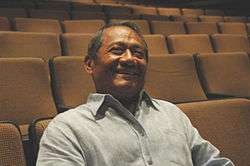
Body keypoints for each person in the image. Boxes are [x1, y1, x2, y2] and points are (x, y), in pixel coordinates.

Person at [37, 21, 234, 166]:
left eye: (139, 54)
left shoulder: (172, 114)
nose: (130, 59)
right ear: (90, 64)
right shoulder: (66, 128)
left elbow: (213, 162)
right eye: (117, 50)